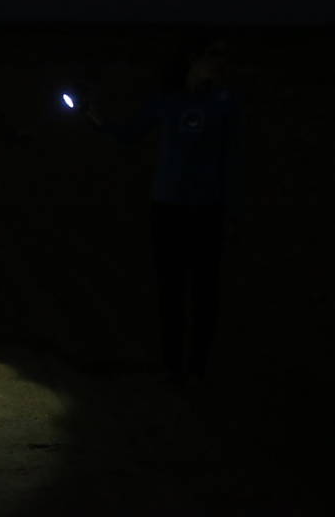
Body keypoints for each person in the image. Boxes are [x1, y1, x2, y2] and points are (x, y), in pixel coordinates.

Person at [86, 39, 243, 385]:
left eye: (217, 61)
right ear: (190, 63)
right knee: (171, 287)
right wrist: (100, 123)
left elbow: (234, 154)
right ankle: (173, 364)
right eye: (208, 59)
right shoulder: (168, 102)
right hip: (169, 207)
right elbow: (131, 133)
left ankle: (197, 365)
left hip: (208, 208)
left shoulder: (225, 103)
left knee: (204, 289)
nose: (214, 67)